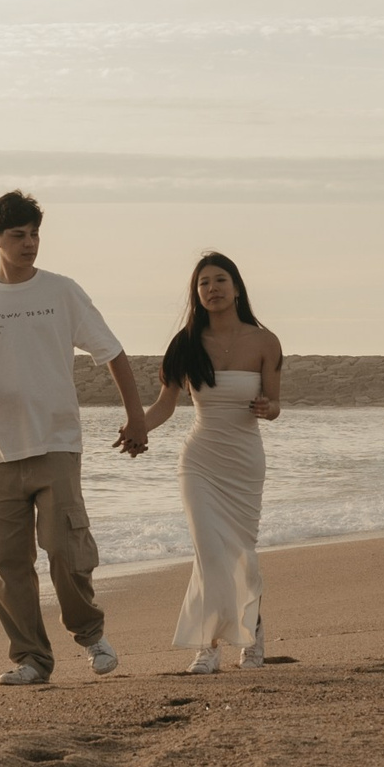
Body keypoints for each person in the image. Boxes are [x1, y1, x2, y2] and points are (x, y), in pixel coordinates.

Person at [0, 190, 151, 686]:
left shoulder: (61, 292)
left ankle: (91, 633)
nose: (30, 243)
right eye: (19, 235)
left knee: (65, 548)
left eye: (35, 234)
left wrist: (135, 417)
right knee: (7, 562)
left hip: (56, 441)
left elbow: (112, 353)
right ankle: (31, 659)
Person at [139, 252, 281, 673]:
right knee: (209, 553)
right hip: (199, 461)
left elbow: (276, 405)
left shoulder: (264, 341)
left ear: (236, 288)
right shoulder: (185, 344)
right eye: (203, 283)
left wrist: (266, 407)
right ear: (195, 293)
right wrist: (136, 428)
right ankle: (209, 645)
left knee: (240, 555)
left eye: (220, 280)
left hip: (244, 463)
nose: (212, 289)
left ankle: (252, 633)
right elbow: (165, 406)